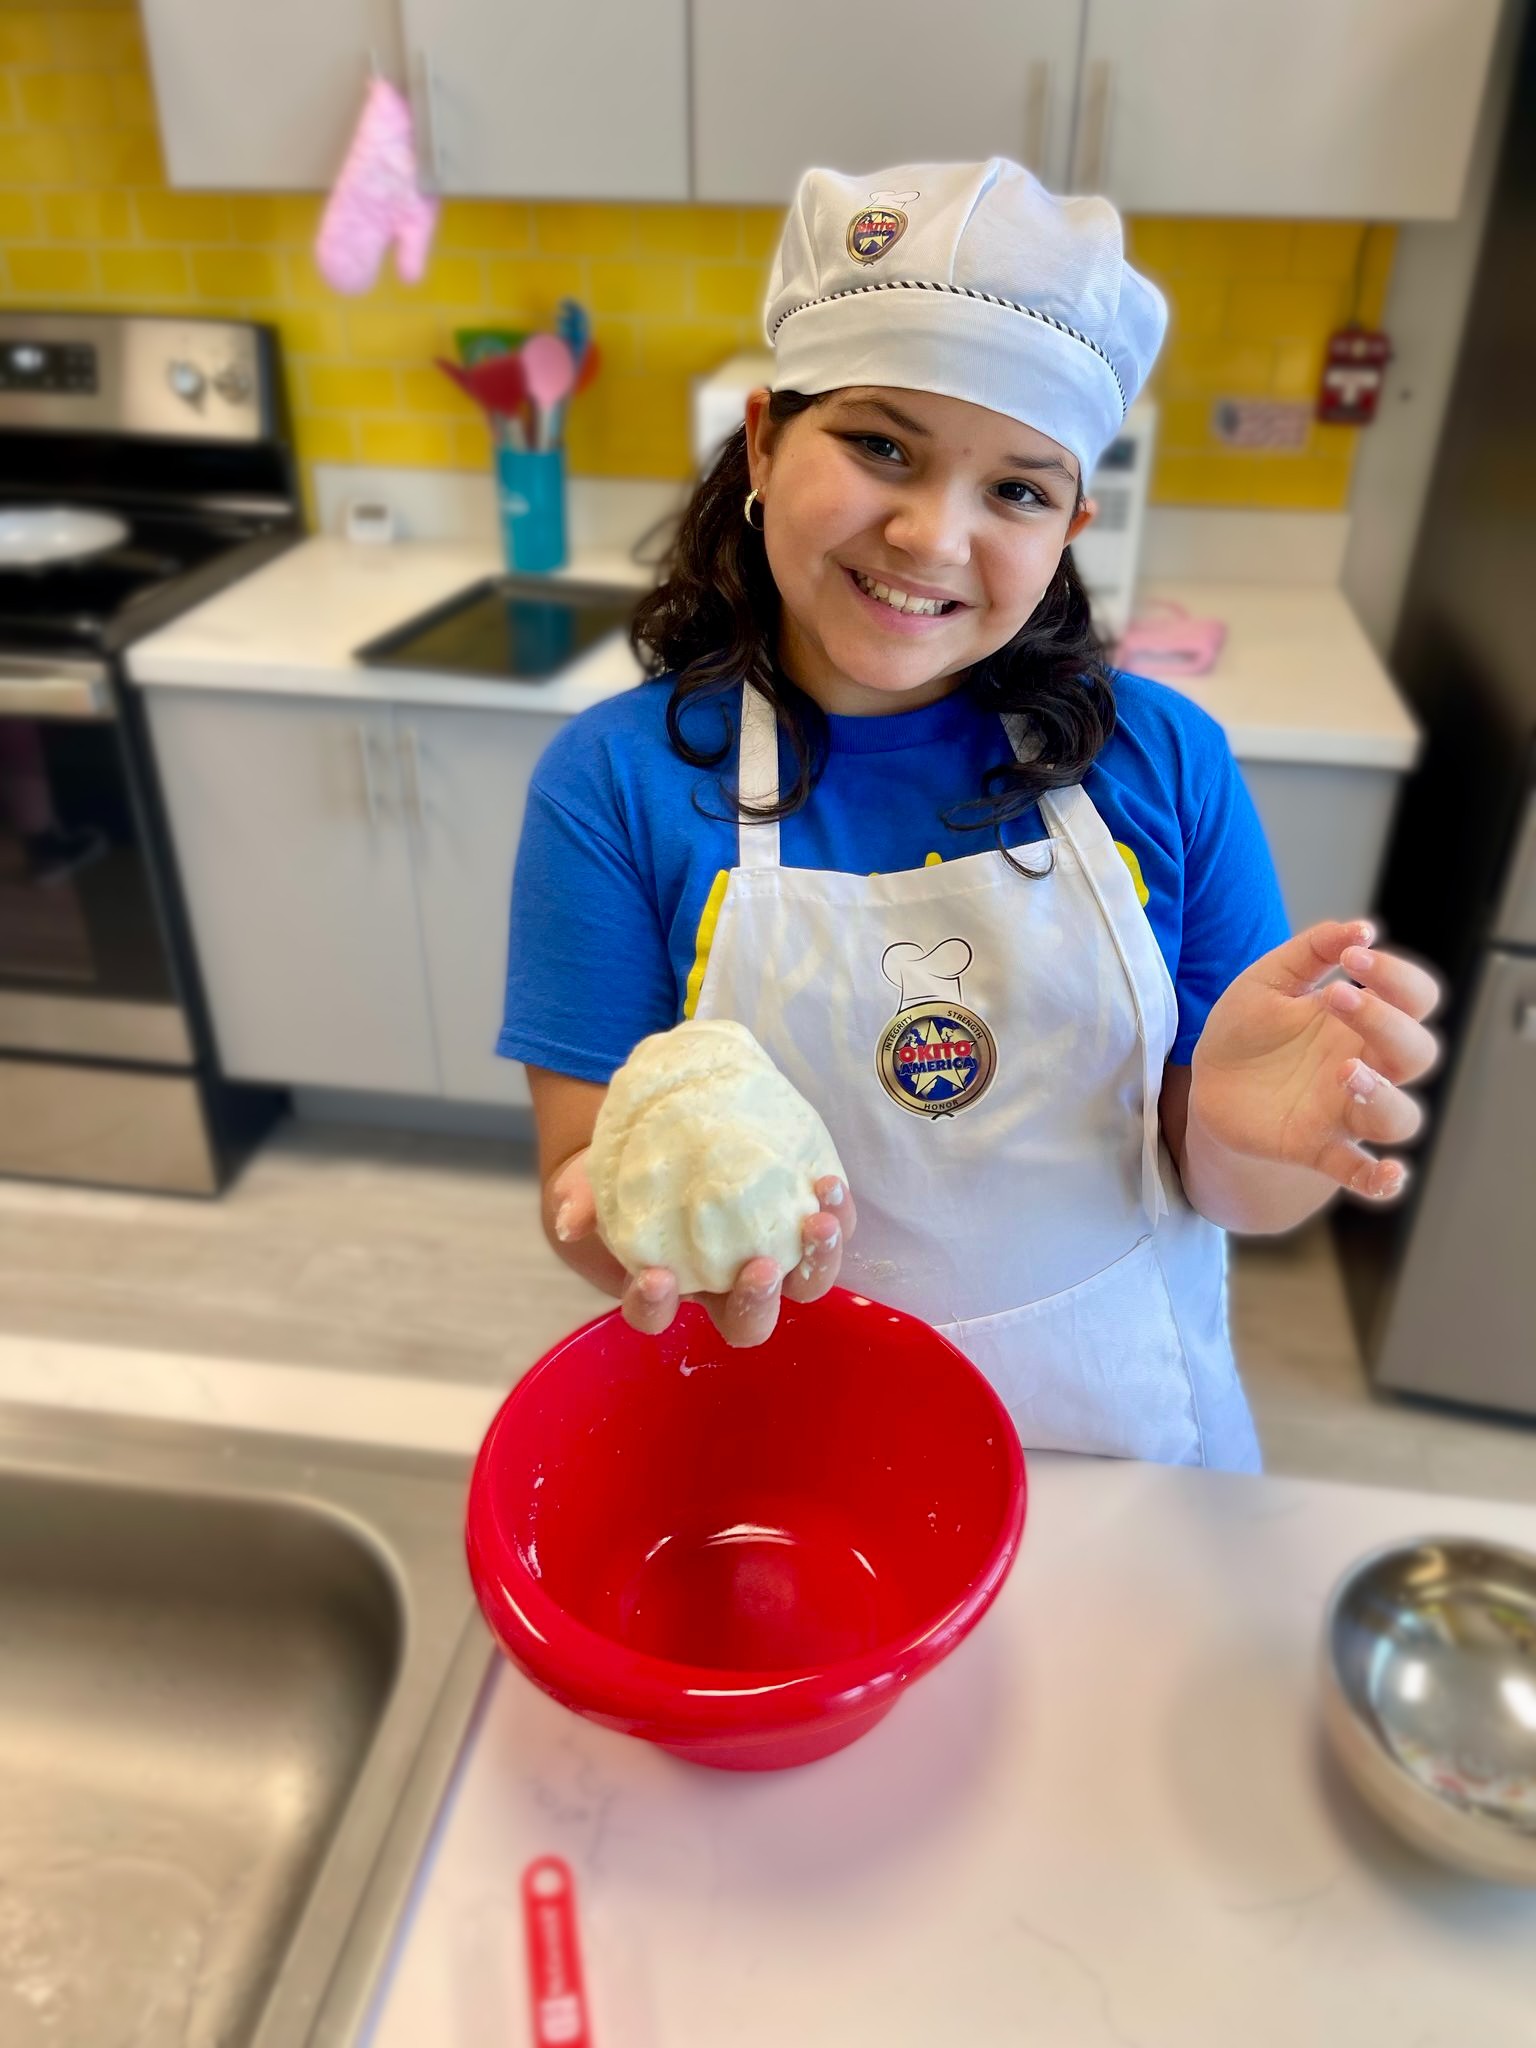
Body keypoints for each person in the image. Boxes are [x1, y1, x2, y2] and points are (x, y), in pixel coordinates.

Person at [497, 158, 1441, 1471]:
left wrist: (1240, 1131)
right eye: (881, 445)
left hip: (1120, 1452)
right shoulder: (619, 786)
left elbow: (1236, 1186)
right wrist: (631, 1213)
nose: (934, 538)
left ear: (1071, 523)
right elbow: (586, 1183)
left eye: (1016, 488)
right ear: (765, 441)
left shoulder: (1161, 761)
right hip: (793, 1449)